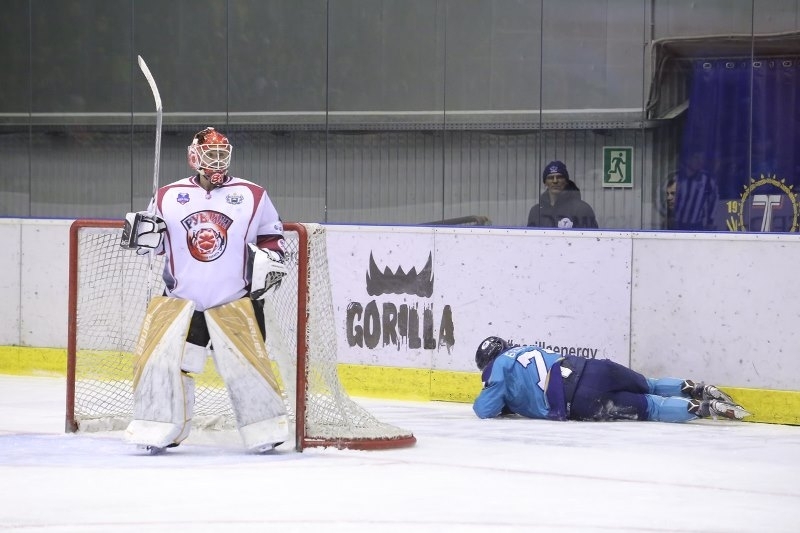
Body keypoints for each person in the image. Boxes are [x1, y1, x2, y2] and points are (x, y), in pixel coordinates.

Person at [120, 127, 290, 454]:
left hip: (236, 301)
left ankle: (265, 430)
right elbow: (157, 245)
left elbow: (272, 236)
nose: (217, 160)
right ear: (193, 156)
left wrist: (272, 258)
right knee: (168, 366)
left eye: (222, 154)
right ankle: (160, 429)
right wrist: (144, 236)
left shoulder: (253, 194)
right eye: (210, 154)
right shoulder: (167, 196)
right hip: (183, 302)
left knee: (247, 368)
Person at [472, 336, 751, 423]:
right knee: (651, 383)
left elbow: (484, 409)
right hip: (594, 368)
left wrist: (503, 403)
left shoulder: (498, 367)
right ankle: (698, 388)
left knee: (652, 407)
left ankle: (704, 409)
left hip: (579, 399)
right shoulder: (525, 348)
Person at [527, 160, 599, 229]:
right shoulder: (536, 211)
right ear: (545, 183)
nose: (555, 181)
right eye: (550, 178)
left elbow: (591, 236)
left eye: (559, 177)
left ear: (566, 181)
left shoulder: (581, 209)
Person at [672, 151, 719, 230]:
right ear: (688, 159)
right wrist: (669, 217)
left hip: (697, 225)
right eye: (696, 158)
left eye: (702, 159)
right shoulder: (676, 177)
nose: (700, 161)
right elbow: (665, 198)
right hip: (677, 224)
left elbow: (714, 200)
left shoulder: (707, 179)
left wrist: (710, 221)